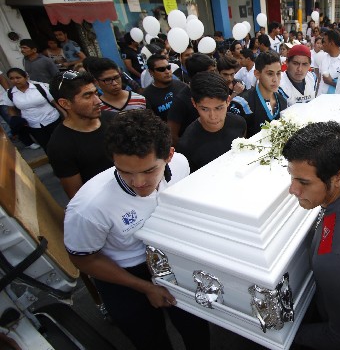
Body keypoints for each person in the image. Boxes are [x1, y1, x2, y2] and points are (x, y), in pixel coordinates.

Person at [64, 109, 209, 350]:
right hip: (124, 275)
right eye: (125, 172)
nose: (139, 182)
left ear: (170, 156)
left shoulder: (182, 165)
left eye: (149, 170)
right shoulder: (88, 208)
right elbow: (84, 259)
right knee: (150, 339)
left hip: (172, 260)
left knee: (196, 326)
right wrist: (145, 287)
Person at [283, 121, 340, 349]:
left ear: (338, 177)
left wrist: (285, 335)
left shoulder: (333, 258)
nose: (292, 189)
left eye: (304, 182)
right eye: (292, 177)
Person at [47, 71, 115, 199]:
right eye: (87, 96)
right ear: (65, 103)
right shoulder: (60, 146)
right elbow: (76, 196)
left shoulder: (114, 120)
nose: (98, 101)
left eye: (96, 93)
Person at [177, 72, 246, 172]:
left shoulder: (239, 124)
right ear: (194, 103)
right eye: (204, 109)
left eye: (219, 108)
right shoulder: (186, 146)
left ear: (228, 100)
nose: (213, 116)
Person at [2, 68, 61, 151]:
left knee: (62, 142)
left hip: (52, 119)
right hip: (33, 124)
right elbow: (11, 109)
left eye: (18, 78)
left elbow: (55, 103)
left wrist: (66, 115)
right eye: (12, 78)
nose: (15, 80)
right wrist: (16, 119)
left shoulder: (40, 87)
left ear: (25, 77)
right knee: (47, 146)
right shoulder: (10, 93)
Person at [167, 53, 218, 146]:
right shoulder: (180, 101)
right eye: (211, 72)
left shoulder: (212, 91)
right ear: (199, 75)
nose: (215, 75)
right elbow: (172, 136)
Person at [240, 50, 287, 137]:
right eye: (270, 74)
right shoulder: (243, 104)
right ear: (257, 74)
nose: (275, 79)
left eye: (278, 73)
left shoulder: (282, 100)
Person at [143, 55, 186, 121]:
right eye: (161, 69)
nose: (167, 72)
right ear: (151, 72)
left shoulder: (181, 85)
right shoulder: (147, 97)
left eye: (168, 67)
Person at [316, 29, 340, 95]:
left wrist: (331, 82)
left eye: (324, 42)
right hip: (320, 101)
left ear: (331, 43)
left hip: (335, 102)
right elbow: (319, 80)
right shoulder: (323, 57)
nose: (322, 44)